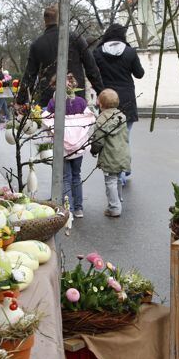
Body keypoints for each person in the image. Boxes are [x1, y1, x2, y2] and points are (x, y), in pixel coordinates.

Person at [17, 5, 104, 107]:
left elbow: (29, 76)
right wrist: (102, 93)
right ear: (60, 19)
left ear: (44, 21)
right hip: (75, 98)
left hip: (49, 100)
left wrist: (20, 101)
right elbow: (91, 68)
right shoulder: (75, 38)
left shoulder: (37, 45)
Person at [92, 23, 144, 183]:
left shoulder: (97, 53)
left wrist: (100, 92)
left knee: (109, 137)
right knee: (125, 137)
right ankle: (124, 170)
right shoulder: (130, 52)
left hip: (106, 98)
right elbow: (139, 74)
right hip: (127, 99)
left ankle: (116, 173)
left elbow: (93, 74)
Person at [45, 74, 94, 219]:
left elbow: (45, 118)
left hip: (63, 146)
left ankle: (69, 209)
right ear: (74, 86)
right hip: (78, 146)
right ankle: (79, 208)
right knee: (76, 176)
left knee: (65, 178)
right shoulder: (80, 102)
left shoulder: (54, 103)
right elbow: (89, 118)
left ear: (55, 86)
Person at [89, 89, 129, 218]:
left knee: (110, 181)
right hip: (122, 154)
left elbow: (98, 140)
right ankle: (118, 200)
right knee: (117, 178)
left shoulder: (101, 120)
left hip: (109, 155)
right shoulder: (121, 116)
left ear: (100, 104)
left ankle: (114, 207)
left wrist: (93, 150)